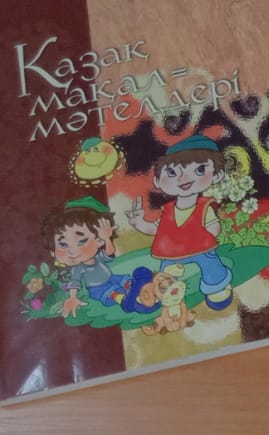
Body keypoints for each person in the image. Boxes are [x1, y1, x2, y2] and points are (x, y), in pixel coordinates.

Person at [125, 135, 235, 311]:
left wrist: (206, 234)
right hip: (171, 254)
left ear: (217, 175)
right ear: (157, 181)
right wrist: (139, 223)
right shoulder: (168, 210)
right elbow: (156, 229)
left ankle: (217, 287)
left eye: (199, 169)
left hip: (201, 249)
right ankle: (168, 295)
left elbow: (214, 227)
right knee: (165, 275)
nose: (183, 179)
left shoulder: (203, 207)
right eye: (172, 173)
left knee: (211, 265)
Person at [44, 198, 130, 318]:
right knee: (110, 294)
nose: (73, 251)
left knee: (125, 280)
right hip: (97, 288)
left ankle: (133, 287)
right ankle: (121, 299)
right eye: (63, 244)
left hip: (111, 278)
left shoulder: (97, 257)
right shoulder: (78, 268)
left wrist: (107, 239)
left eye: (82, 241)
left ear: (99, 241)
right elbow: (74, 283)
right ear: (53, 251)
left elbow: (109, 253)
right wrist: (72, 298)